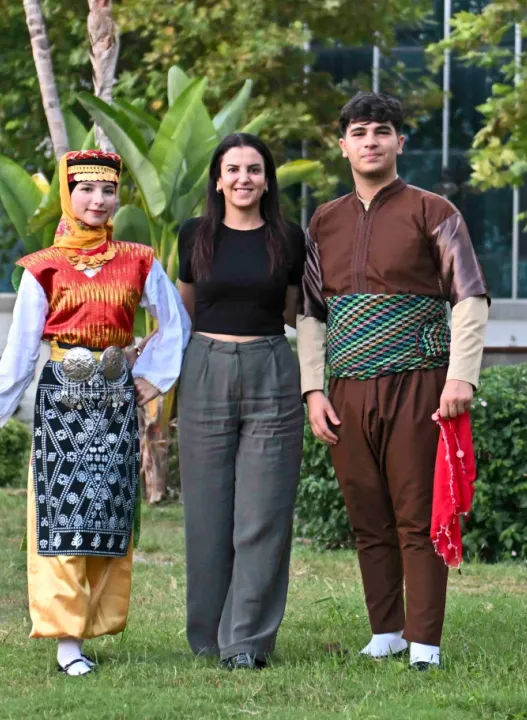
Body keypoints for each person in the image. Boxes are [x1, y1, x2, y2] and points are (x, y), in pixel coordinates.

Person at [0, 149, 190, 677]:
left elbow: (175, 322)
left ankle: (90, 625)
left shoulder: (139, 259)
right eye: (86, 190)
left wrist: (152, 376)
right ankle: (67, 643)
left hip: (116, 399)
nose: (98, 200)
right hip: (62, 402)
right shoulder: (43, 267)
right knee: (61, 514)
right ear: (68, 193)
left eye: (108, 190)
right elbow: (20, 349)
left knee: (107, 512)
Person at [297, 92, 490, 671]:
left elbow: (469, 298)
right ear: (343, 146)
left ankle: (424, 642)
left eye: (382, 131)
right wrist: (313, 390)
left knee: (418, 513)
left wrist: (461, 378)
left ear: (399, 143)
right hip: (347, 387)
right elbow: (311, 313)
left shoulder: (434, 211)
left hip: (419, 383)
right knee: (367, 515)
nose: (371, 142)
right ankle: (386, 632)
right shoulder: (323, 221)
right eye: (359, 133)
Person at [176, 133, 306, 671]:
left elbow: (293, 312)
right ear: (217, 179)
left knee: (264, 511)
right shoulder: (194, 235)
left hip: (270, 367)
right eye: (233, 169)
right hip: (205, 368)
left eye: (254, 169)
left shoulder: (289, 238)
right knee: (207, 512)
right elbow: (184, 312)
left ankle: (246, 642)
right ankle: (208, 636)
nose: (243, 178)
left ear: (267, 180)